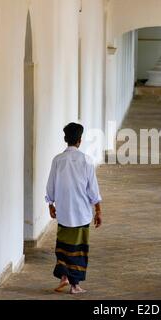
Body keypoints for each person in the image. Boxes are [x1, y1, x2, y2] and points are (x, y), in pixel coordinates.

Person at [45, 123, 103, 295]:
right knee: (78, 249)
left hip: (64, 213)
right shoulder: (86, 161)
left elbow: (51, 185)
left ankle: (64, 275)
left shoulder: (57, 160)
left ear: (65, 139)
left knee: (63, 245)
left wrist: (50, 204)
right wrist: (98, 211)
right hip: (81, 214)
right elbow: (93, 190)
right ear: (80, 140)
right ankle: (75, 285)